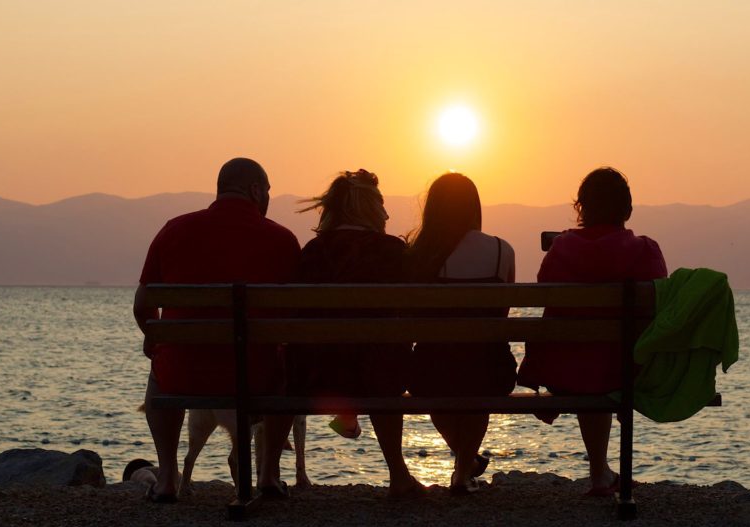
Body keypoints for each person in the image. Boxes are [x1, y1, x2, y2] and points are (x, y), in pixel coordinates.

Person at [133, 158, 301, 502]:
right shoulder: (281, 239)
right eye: (267, 191)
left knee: (159, 373)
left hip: (185, 374)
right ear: (255, 190)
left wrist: (155, 339)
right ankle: (268, 476)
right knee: (289, 376)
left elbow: (142, 304)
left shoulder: (174, 230)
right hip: (257, 375)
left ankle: (166, 478)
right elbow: (295, 315)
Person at [271, 169, 425, 497]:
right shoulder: (391, 252)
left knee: (288, 371)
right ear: (370, 208)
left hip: (312, 377)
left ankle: (269, 474)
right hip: (377, 378)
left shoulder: (312, 252)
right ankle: (398, 475)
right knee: (385, 357)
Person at [518, 167, 667, 496]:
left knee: (588, 361)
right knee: (601, 362)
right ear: (627, 210)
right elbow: (658, 304)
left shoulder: (561, 249)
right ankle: (601, 473)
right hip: (626, 369)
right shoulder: (645, 250)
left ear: (581, 209)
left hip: (566, 370)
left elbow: (545, 289)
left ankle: (599, 472)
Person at [406, 172, 517, 495]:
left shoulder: (419, 253)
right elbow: (503, 313)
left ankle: (465, 463)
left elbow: (412, 317)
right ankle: (462, 472)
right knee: (479, 368)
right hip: (490, 372)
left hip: (429, 374)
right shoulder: (502, 250)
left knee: (435, 369)